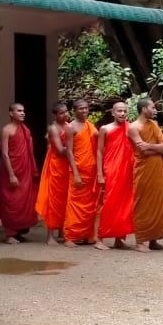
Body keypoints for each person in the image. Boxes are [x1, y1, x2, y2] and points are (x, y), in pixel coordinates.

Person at [128, 98, 163, 251]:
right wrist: (155, 148)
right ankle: (140, 241)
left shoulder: (154, 125)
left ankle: (153, 240)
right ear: (144, 109)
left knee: (158, 202)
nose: (155, 110)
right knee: (143, 203)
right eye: (152, 107)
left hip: (157, 168)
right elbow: (142, 150)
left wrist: (149, 146)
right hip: (143, 169)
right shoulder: (133, 127)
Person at [94, 100, 135, 250]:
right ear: (112, 113)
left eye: (124, 111)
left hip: (127, 170)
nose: (122, 113)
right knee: (109, 203)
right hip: (111, 169)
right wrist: (100, 174)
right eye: (119, 111)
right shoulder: (105, 129)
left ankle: (119, 238)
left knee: (125, 205)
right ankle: (100, 239)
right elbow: (99, 151)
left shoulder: (130, 128)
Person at [0, 102, 38, 244]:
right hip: (11, 171)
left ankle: (19, 231)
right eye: (19, 111)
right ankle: (10, 235)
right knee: (11, 201)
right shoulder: (6, 130)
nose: (22, 113)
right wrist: (11, 175)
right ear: (11, 113)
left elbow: (29, 151)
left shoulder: (25, 129)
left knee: (23, 201)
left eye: (23, 110)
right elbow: (4, 154)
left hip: (24, 171)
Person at [63, 99, 100, 245]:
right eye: (81, 108)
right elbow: (69, 152)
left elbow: (99, 141)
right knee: (75, 203)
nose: (84, 111)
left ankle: (87, 234)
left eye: (86, 108)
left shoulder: (90, 126)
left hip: (91, 169)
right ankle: (70, 236)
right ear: (74, 111)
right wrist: (76, 173)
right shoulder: (70, 127)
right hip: (78, 169)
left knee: (90, 205)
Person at [34, 102, 71, 245]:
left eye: (66, 111)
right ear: (55, 115)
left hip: (67, 166)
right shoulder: (53, 129)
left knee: (65, 199)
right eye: (61, 113)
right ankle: (50, 236)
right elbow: (60, 150)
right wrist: (76, 148)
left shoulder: (68, 126)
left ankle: (63, 230)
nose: (65, 114)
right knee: (53, 200)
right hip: (56, 166)